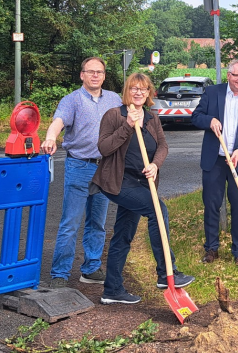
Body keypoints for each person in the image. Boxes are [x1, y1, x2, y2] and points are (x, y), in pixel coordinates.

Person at [91, 73, 194, 304]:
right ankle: (166, 273)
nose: (138, 92)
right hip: (118, 182)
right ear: (127, 91)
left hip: (141, 182)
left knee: (123, 235)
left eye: (143, 89)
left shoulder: (151, 118)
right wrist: (128, 126)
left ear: (149, 93)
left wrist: (155, 165)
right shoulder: (114, 115)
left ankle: (112, 290)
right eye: (134, 88)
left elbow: (163, 145)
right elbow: (104, 148)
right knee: (158, 211)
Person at [41, 57, 122, 288]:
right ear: (82, 75)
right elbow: (58, 122)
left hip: (105, 168)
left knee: (97, 222)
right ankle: (60, 274)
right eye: (90, 72)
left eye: (99, 72)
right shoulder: (72, 100)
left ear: (104, 76)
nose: (95, 75)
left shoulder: (114, 100)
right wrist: (50, 137)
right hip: (79, 166)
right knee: (70, 223)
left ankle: (91, 268)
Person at [192, 59, 238, 268]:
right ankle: (211, 248)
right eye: (237, 75)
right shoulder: (213, 92)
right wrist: (209, 120)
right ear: (228, 75)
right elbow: (196, 117)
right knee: (212, 205)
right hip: (215, 159)